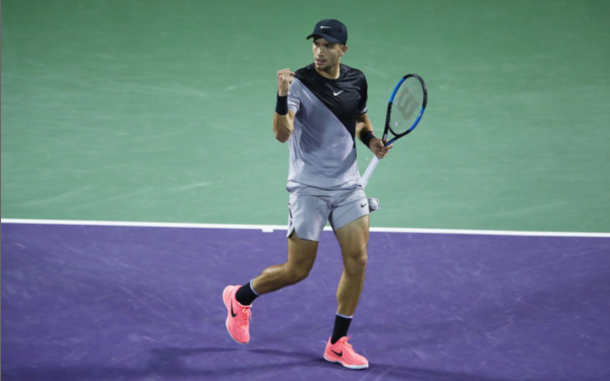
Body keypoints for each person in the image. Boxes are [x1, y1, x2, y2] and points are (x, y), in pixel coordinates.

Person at [222, 18, 391, 370]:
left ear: (342, 50)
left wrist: (370, 140)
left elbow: (359, 119)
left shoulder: (356, 79)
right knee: (297, 270)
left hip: (348, 186)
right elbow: (282, 134)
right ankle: (240, 297)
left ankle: (337, 343)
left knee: (358, 261)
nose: (319, 50)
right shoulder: (299, 84)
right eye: (316, 43)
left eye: (328, 45)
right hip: (308, 189)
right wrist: (282, 95)